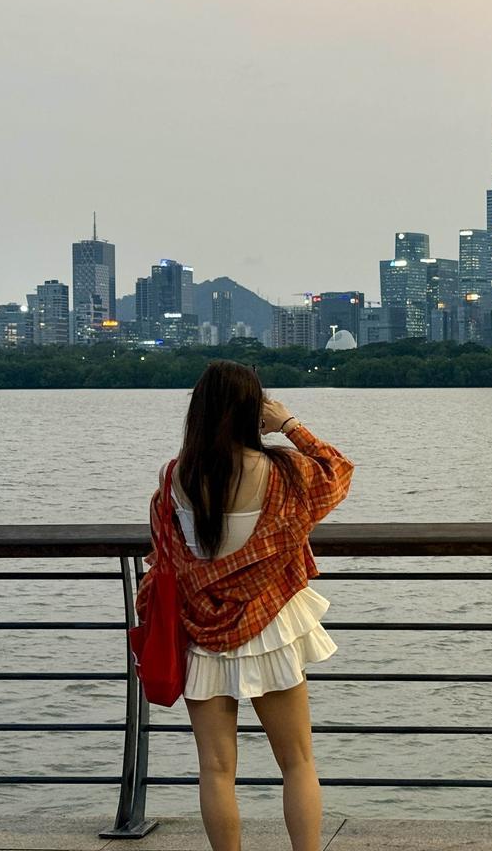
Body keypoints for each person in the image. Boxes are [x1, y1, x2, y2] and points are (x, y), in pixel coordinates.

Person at [136, 360, 354, 851]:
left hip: (199, 630)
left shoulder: (176, 477)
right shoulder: (281, 471)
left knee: (215, 769)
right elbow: (337, 473)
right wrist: (289, 425)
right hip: (270, 625)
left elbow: (166, 553)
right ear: (251, 410)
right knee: (297, 762)